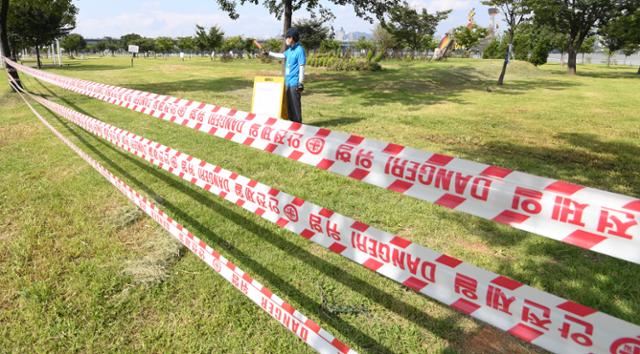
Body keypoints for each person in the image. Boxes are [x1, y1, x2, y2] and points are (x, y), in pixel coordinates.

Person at [265, 28, 306, 123]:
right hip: (287, 82)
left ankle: (298, 125)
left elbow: (301, 67)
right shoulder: (290, 50)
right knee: (289, 105)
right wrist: (269, 53)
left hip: (295, 83)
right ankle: (292, 123)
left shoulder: (299, 50)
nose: (286, 39)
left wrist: (300, 83)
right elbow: (282, 56)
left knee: (295, 106)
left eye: (288, 37)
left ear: (293, 38)